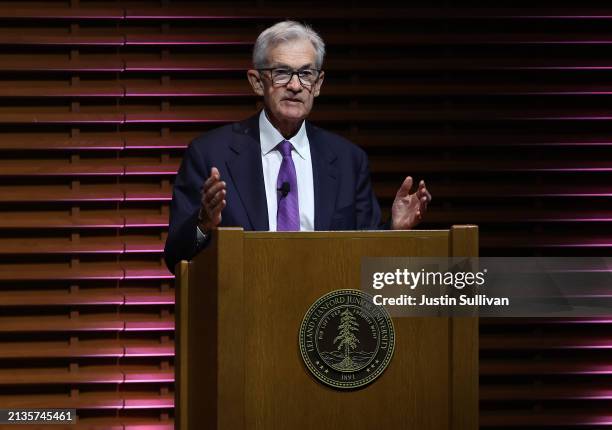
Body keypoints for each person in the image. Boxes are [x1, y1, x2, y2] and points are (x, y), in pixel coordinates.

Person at [164, 20, 432, 273]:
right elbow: (175, 257)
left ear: (318, 85)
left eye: (306, 74)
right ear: (257, 82)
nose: (295, 85)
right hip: (239, 312)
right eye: (281, 73)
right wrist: (203, 223)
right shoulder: (210, 154)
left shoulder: (348, 160)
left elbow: (364, 254)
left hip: (323, 315)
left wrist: (394, 229)